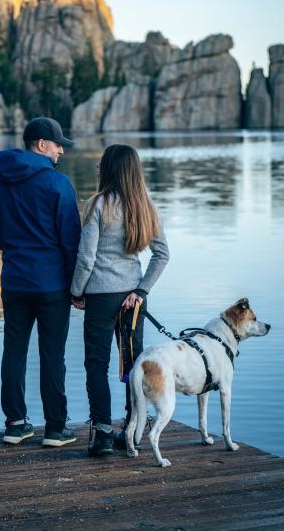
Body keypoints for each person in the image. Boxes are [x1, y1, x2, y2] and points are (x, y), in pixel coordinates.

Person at [0, 117, 81, 447]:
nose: (61, 150)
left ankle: (15, 424)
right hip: (51, 285)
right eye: (57, 144)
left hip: (15, 282)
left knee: (14, 353)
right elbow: (70, 241)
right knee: (52, 356)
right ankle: (55, 428)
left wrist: (13, 245)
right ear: (40, 144)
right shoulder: (58, 184)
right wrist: (77, 287)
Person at [71, 144, 170, 457]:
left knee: (96, 365)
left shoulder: (99, 203)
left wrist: (76, 291)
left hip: (100, 296)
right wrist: (141, 291)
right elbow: (162, 255)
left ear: (112, 168)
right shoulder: (145, 206)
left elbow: (86, 257)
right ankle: (133, 431)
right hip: (132, 300)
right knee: (133, 364)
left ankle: (101, 434)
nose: (97, 166)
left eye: (102, 162)